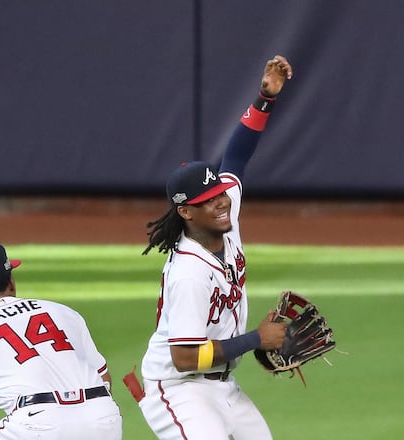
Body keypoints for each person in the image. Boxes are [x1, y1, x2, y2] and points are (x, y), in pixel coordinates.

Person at [130, 55, 293, 439]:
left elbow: (237, 155)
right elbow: (184, 358)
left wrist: (265, 99)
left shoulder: (226, 213)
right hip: (178, 388)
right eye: (209, 200)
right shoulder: (189, 272)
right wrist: (256, 338)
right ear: (186, 211)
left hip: (223, 385)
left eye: (220, 193)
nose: (221, 202)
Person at [0, 243, 122, 440]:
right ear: (11, 283)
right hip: (103, 417)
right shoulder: (64, 312)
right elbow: (104, 379)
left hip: (36, 425)